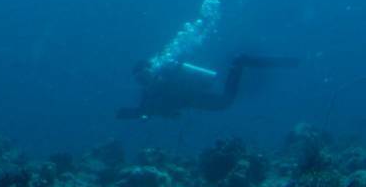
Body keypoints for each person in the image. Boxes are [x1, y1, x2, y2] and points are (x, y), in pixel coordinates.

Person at [117, 54, 300, 120]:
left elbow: (164, 110)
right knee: (233, 89)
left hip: (207, 99)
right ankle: (244, 63)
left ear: (152, 70)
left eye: (144, 77)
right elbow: (163, 113)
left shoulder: (166, 76)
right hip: (203, 98)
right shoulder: (149, 96)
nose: (144, 82)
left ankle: (243, 63)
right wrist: (133, 113)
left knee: (227, 99)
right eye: (140, 80)